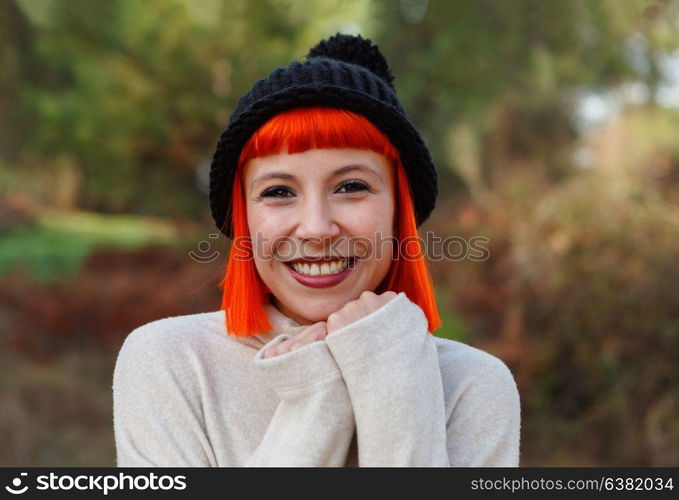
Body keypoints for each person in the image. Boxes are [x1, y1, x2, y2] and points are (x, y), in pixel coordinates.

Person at [112, 33, 521, 467]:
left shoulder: (471, 385)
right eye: (278, 191)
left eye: (351, 186)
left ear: (399, 210)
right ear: (243, 216)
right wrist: (315, 396)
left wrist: (389, 372)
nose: (316, 229)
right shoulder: (171, 362)